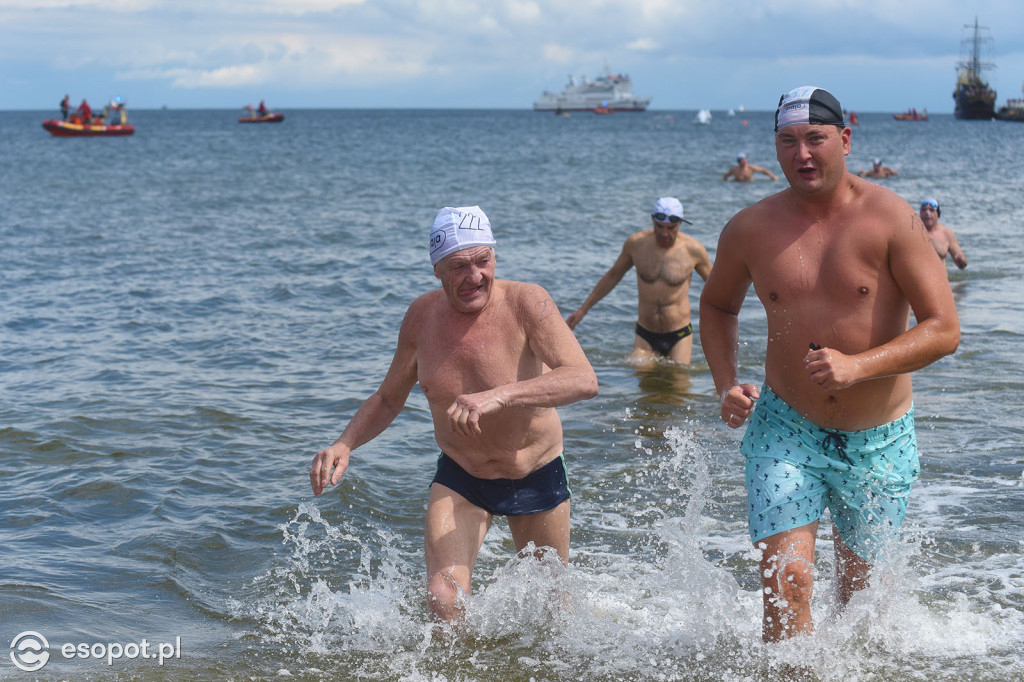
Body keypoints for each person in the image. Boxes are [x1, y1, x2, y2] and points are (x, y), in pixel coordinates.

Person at [699, 86, 960, 643]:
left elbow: (944, 329)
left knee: (859, 610)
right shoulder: (749, 227)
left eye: (815, 139)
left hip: (879, 437)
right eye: (788, 142)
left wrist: (859, 366)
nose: (803, 155)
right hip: (784, 427)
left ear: (844, 139)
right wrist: (725, 383)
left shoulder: (891, 218)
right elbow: (718, 304)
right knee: (788, 582)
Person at [309, 206, 598, 624]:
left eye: (483, 261)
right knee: (443, 599)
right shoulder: (420, 318)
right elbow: (389, 398)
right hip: (463, 475)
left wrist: (499, 396)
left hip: (535, 470)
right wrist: (344, 442)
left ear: (495, 259)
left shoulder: (527, 302)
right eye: (459, 266)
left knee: (552, 613)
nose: (474, 276)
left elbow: (583, 379)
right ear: (437, 271)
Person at [566, 198, 712, 364]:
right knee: (640, 375)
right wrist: (583, 310)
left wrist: (722, 320)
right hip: (645, 334)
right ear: (653, 221)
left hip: (679, 335)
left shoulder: (693, 250)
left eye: (671, 228)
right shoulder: (636, 244)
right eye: (659, 226)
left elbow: (718, 285)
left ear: (679, 223)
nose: (665, 233)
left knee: (679, 384)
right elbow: (613, 275)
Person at [920, 198, 968, 269]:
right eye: (924, 210)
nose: (927, 213)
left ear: (938, 214)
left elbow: (961, 265)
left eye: (932, 210)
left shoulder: (946, 234)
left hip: (940, 279)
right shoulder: (913, 232)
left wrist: (961, 260)